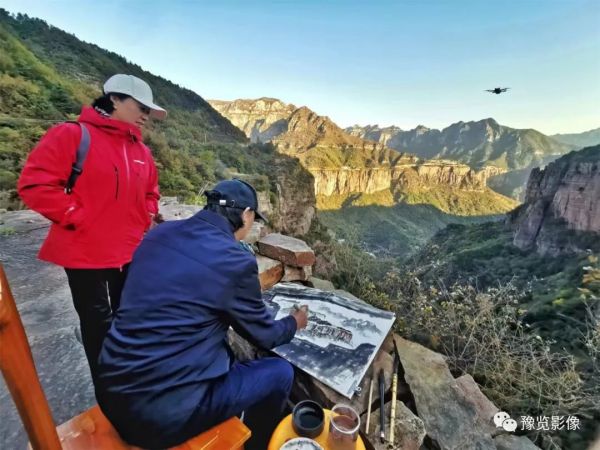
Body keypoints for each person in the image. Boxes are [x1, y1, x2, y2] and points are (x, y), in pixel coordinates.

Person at [95, 179, 309, 450]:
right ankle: (256, 444)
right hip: (157, 418)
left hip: (111, 390)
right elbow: (265, 335)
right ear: (246, 215)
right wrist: (294, 322)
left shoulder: (158, 235)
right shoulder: (235, 260)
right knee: (280, 373)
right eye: (253, 219)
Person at [17, 74, 167, 380]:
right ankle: (106, 381)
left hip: (129, 248)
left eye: (148, 111)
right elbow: (35, 184)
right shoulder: (72, 135)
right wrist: (78, 216)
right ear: (114, 99)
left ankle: (129, 371)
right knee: (96, 319)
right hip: (85, 249)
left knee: (130, 312)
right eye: (141, 107)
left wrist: (147, 213)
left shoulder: (141, 151)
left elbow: (151, 192)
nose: (145, 116)